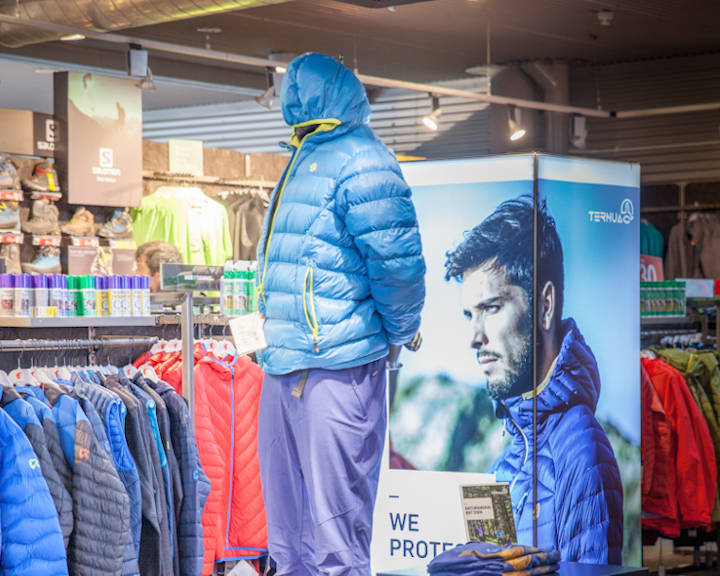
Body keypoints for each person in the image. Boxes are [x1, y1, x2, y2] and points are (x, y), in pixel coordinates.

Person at [256, 52, 426, 576]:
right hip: (284, 364)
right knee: (287, 542)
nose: (292, 96)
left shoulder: (364, 160)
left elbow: (398, 267)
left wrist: (399, 334)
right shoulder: (301, 154)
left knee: (337, 539)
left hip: (337, 363)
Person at [444, 195, 623, 564]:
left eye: (491, 308)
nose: (474, 337)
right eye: (468, 315)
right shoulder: (508, 455)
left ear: (545, 306)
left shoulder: (582, 452)